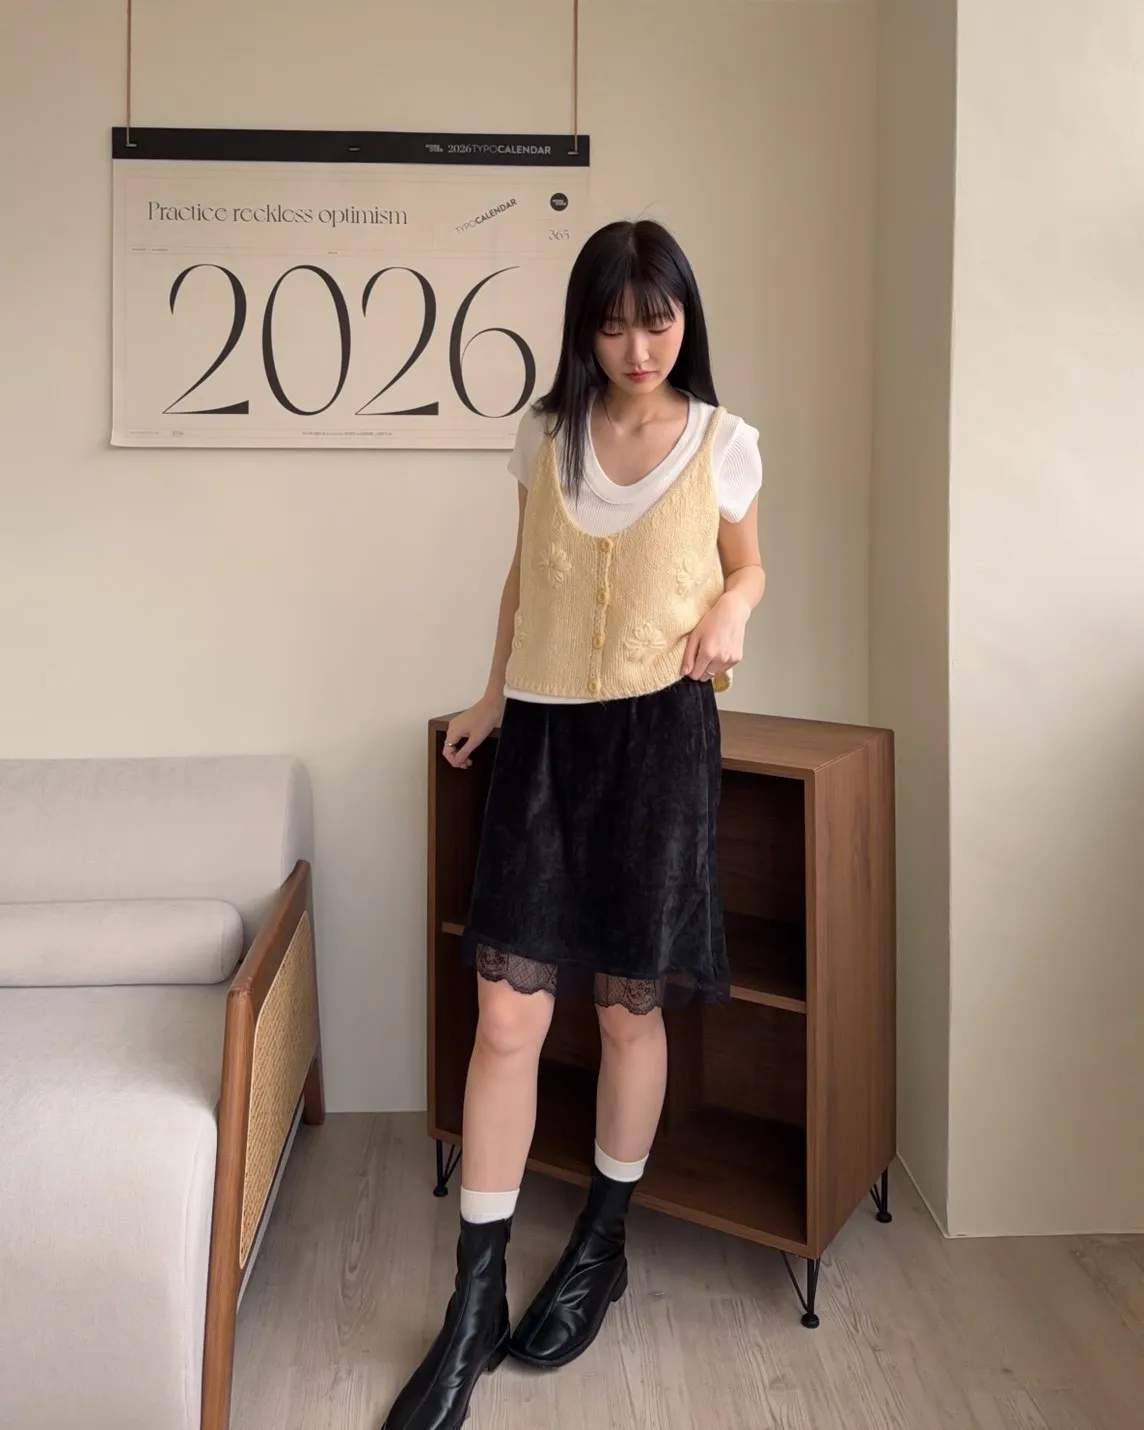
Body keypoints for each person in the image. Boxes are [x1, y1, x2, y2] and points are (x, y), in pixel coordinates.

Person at [382, 218, 765, 1430]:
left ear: (684, 318)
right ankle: (473, 1299)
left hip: (660, 738)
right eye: (611, 323)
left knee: (624, 1007)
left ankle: (602, 1239)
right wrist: (491, 694)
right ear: (582, 330)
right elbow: (525, 572)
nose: (637, 345)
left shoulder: (723, 441)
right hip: (545, 738)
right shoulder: (545, 433)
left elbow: (749, 566)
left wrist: (735, 610)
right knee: (507, 1013)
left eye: (657, 319)